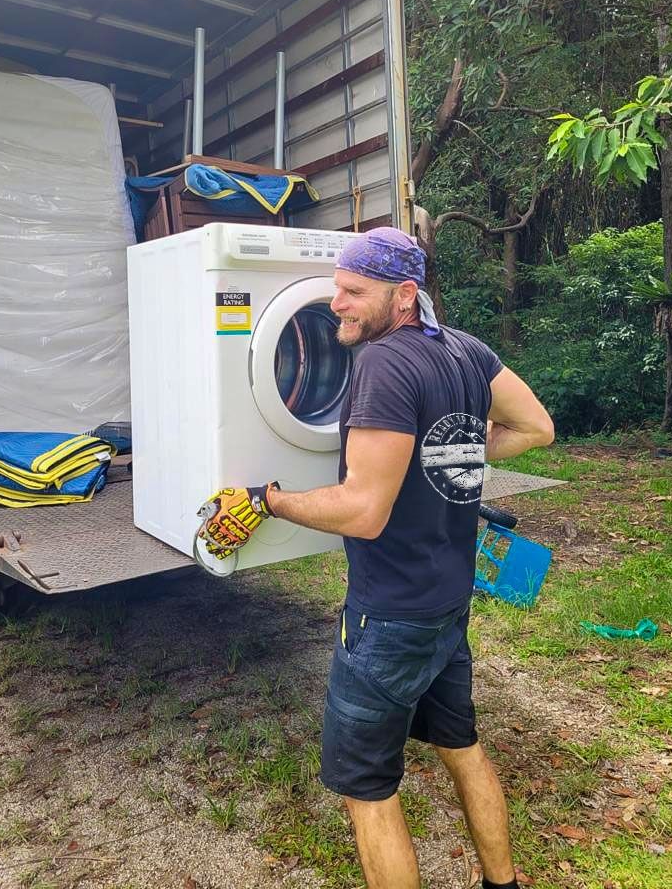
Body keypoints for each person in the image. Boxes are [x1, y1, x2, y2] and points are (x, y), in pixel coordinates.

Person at [197, 227, 554, 889]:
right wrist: (448, 454)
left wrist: (267, 499)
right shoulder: (466, 352)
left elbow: (364, 512)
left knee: (368, 790)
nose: (337, 302)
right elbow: (537, 427)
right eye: (334, 287)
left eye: (355, 291)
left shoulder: (383, 367)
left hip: (389, 617)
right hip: (448, 601)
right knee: (461, 746)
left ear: (405, 296)